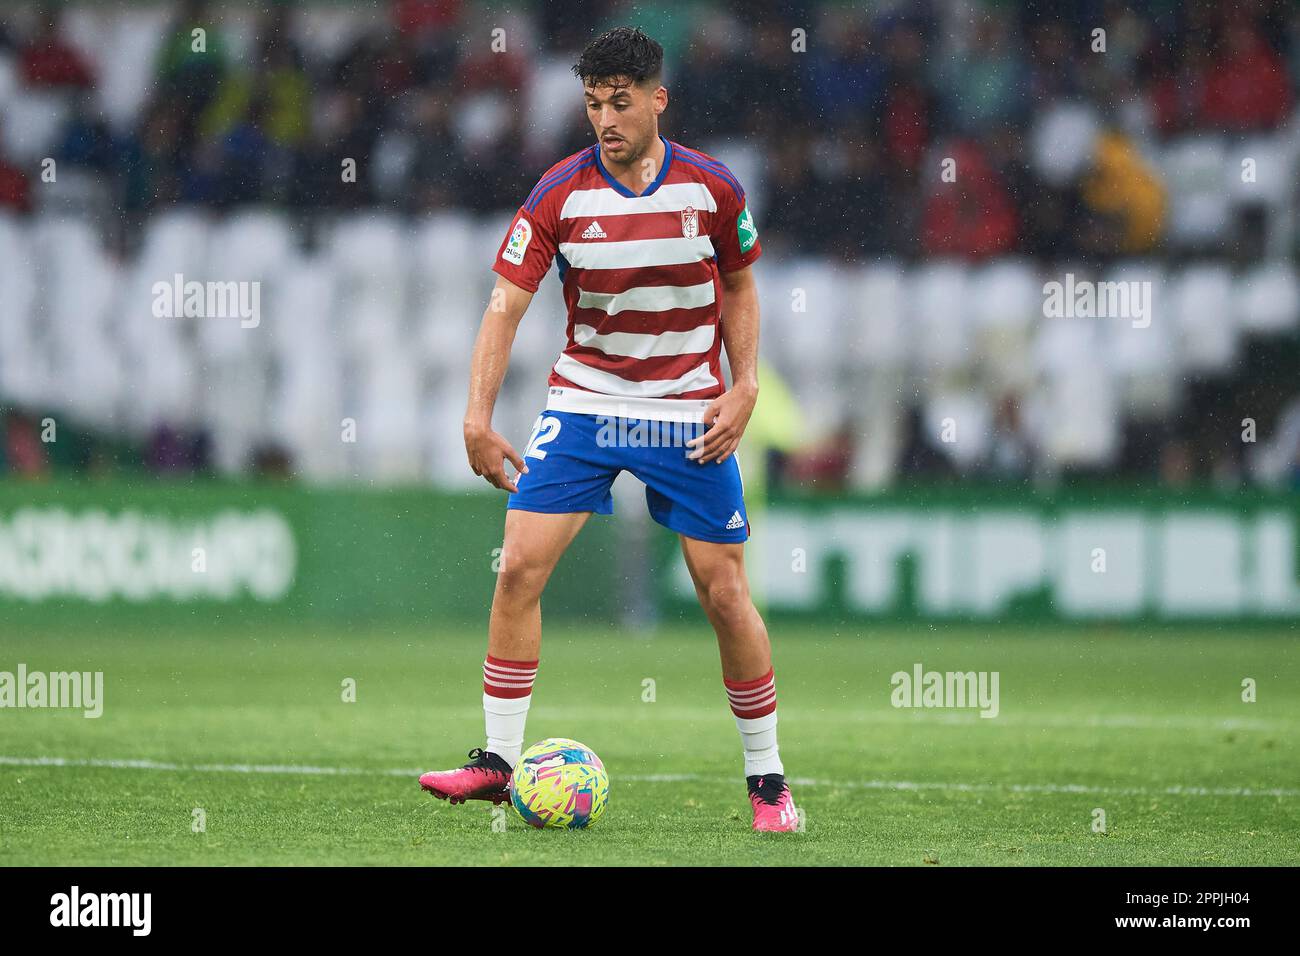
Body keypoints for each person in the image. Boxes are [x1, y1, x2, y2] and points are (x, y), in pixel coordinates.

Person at [418, 27, 797, 832]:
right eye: (593, 104)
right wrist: (477, 417)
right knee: (518, 565)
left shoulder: (713, 188)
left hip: (686, 411)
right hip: (587, 404)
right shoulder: (558, 192)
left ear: (659, 99)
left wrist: (746, 385)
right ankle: (496, 760)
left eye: (620, 103)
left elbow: (740, 287)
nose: (605, 120)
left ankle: (768, 781)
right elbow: (504, 306)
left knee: (724, 591)